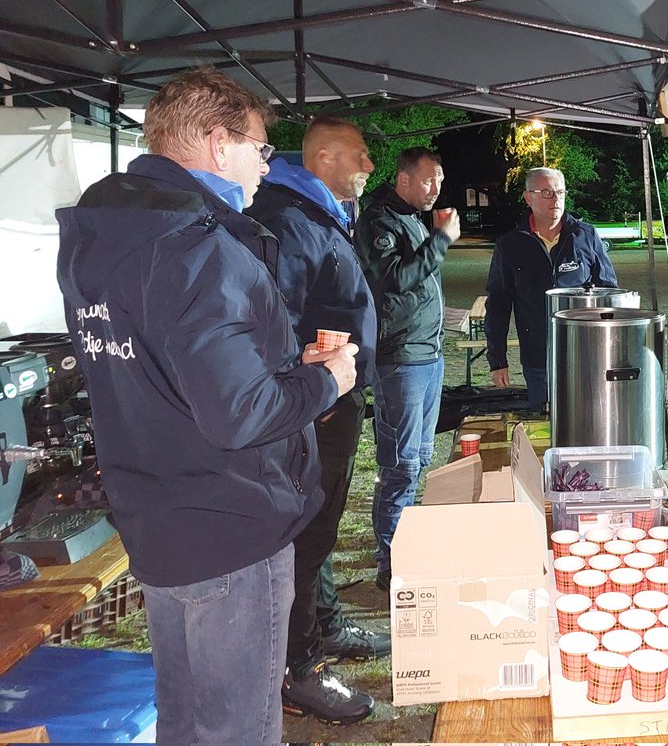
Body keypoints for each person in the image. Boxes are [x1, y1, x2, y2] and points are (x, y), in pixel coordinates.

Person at [56, 67, 356, 745]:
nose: (265, 166)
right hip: (231, 525)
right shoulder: (201, 246)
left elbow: (174, 370)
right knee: (237, 730)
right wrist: (328, 381)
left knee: (188, 723)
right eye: (260, 149)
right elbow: (239, 415)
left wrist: (279, 368)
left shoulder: (105, 235)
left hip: (157, 516)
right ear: (219, 145)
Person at [246, 116, 384, 723]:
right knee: (308, 531)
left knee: (323, 527)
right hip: (316, 406)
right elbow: (276, 316)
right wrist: (315, 388)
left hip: (332, 397)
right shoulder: (290, 219)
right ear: (325, 158)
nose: (370, 166)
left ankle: (323, 627)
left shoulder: (316, 213)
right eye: (361, 154)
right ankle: (298, 670)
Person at [355, 146, 459, 591]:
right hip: (399, 358)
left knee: (419, 458)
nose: (435, 189)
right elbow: (394, 278)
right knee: (401, 464)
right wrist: (441, 241)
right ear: (403, 180)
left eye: (440, 181)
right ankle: (390, 561)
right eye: (428, 180)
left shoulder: (414, 217)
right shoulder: (379, 219)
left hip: (428, 353)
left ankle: (408, 545)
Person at [485, 166, 617, 408]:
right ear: (528, 197)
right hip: (538, 360)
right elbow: (497, 306)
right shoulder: (510, 245)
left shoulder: (586, 235)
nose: (555, 199)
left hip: (586, 357)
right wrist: (497, 360)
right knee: (544, 428)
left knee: (587, 427)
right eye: (546, 192)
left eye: (560, 192)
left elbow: (609, 292)